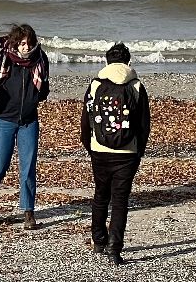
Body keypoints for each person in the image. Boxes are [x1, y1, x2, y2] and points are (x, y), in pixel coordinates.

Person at [81, 43, 151, 265]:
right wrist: (139, 150)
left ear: (107, 61)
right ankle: (114, 249)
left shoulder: (94, 85)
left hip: (99, 150)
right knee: (120, 201)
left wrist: (90, 146)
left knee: (101, 195)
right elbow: (144, 125)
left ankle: (98, 240)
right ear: (128, 62)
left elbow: (86, 121)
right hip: (127, 152)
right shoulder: (137, 86)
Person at [0, 23, 51, 228]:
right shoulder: (2, 58)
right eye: (22, 43)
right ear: (15, 43)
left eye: (30, 43)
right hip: (3, 120)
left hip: (29, 121)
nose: (26, 47)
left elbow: (44, 89)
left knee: (28, 168)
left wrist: (34, 98)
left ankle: (28, 211)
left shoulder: (40, 59)